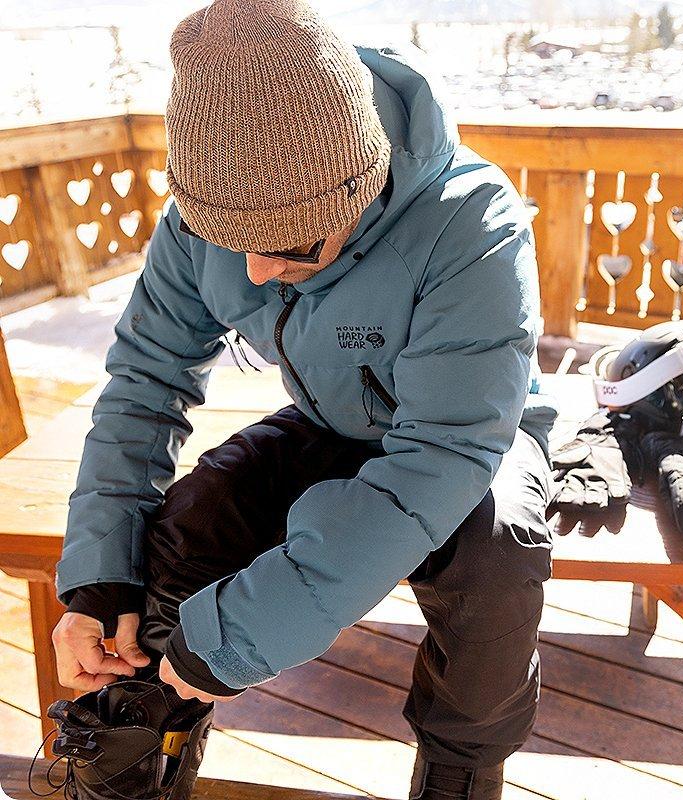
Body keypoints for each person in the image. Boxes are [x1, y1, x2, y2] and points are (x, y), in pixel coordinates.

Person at [50, 1, 558, 798]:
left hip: (473, 438)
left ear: (360, 186)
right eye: (228, 237)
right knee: (193, 517)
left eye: (289, 245)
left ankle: (460, 773)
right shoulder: (203, 215)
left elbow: (444, 454)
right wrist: (98, 578)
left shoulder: (471, 223)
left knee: (498, 553)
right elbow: (145, 382)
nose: (253, 271)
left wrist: (240, 636)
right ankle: (136, 750)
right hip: (330, 421)